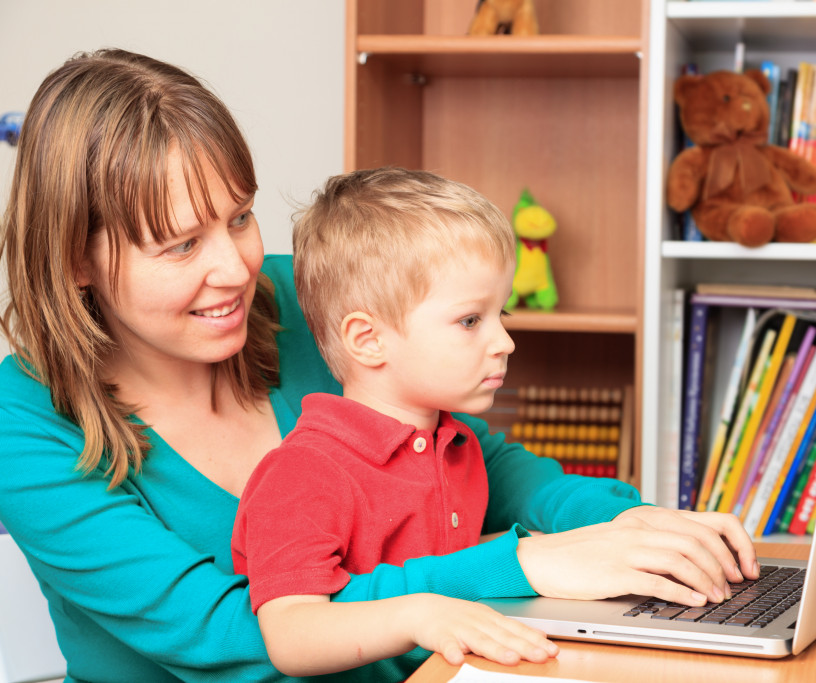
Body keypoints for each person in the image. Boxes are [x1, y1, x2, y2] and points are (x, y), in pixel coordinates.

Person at [0, 48, 758, 683]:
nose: (235, 267)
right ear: (77, 259)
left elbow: (477, 461)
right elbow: (231, 632)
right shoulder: (23, 420)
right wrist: (522, 565)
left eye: (238, 217)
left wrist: (628, 525)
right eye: (180, 244)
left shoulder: (297, 296)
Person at [232, 167, 559, 678]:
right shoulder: (303, 473)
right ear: (368, 340)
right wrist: (420, 613)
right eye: (471, 321)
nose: (505, 343)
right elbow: (292, 636)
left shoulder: (456, 443)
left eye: (503, 316)